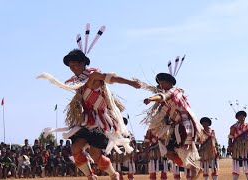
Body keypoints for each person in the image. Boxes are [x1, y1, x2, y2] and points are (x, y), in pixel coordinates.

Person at [38, 24, 141, 180]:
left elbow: (110, 78)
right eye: (70, 66)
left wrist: (130, 83)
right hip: (86, 121)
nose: (71, 68)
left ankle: (114, 175)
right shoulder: (76, 81)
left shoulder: (93, 76)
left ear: (82, 64)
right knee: (75, 149)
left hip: (101, 121)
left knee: (95, 154)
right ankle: (90, 176)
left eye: (74, 65)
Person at [143, 63, 205, 180]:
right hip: (176, 127)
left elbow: (162, 96)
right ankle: (193, 168)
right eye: (160, 84)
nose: (160, 85)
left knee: (179, 151)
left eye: (162, 83)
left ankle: (193, 168)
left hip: (183, 126)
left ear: (168, 83)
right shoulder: (167, 101)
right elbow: (162, 108)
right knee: (170, 153)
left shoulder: (174, 91)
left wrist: (151, 99)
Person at [228, 111, 248, 180]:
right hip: (237, 149)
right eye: (240, 116)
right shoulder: (233, 127)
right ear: (237, 118)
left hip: (247, 149)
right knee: (236, 164)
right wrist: (230, 147)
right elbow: (230, 138)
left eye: (243, 116)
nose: (242, 117)